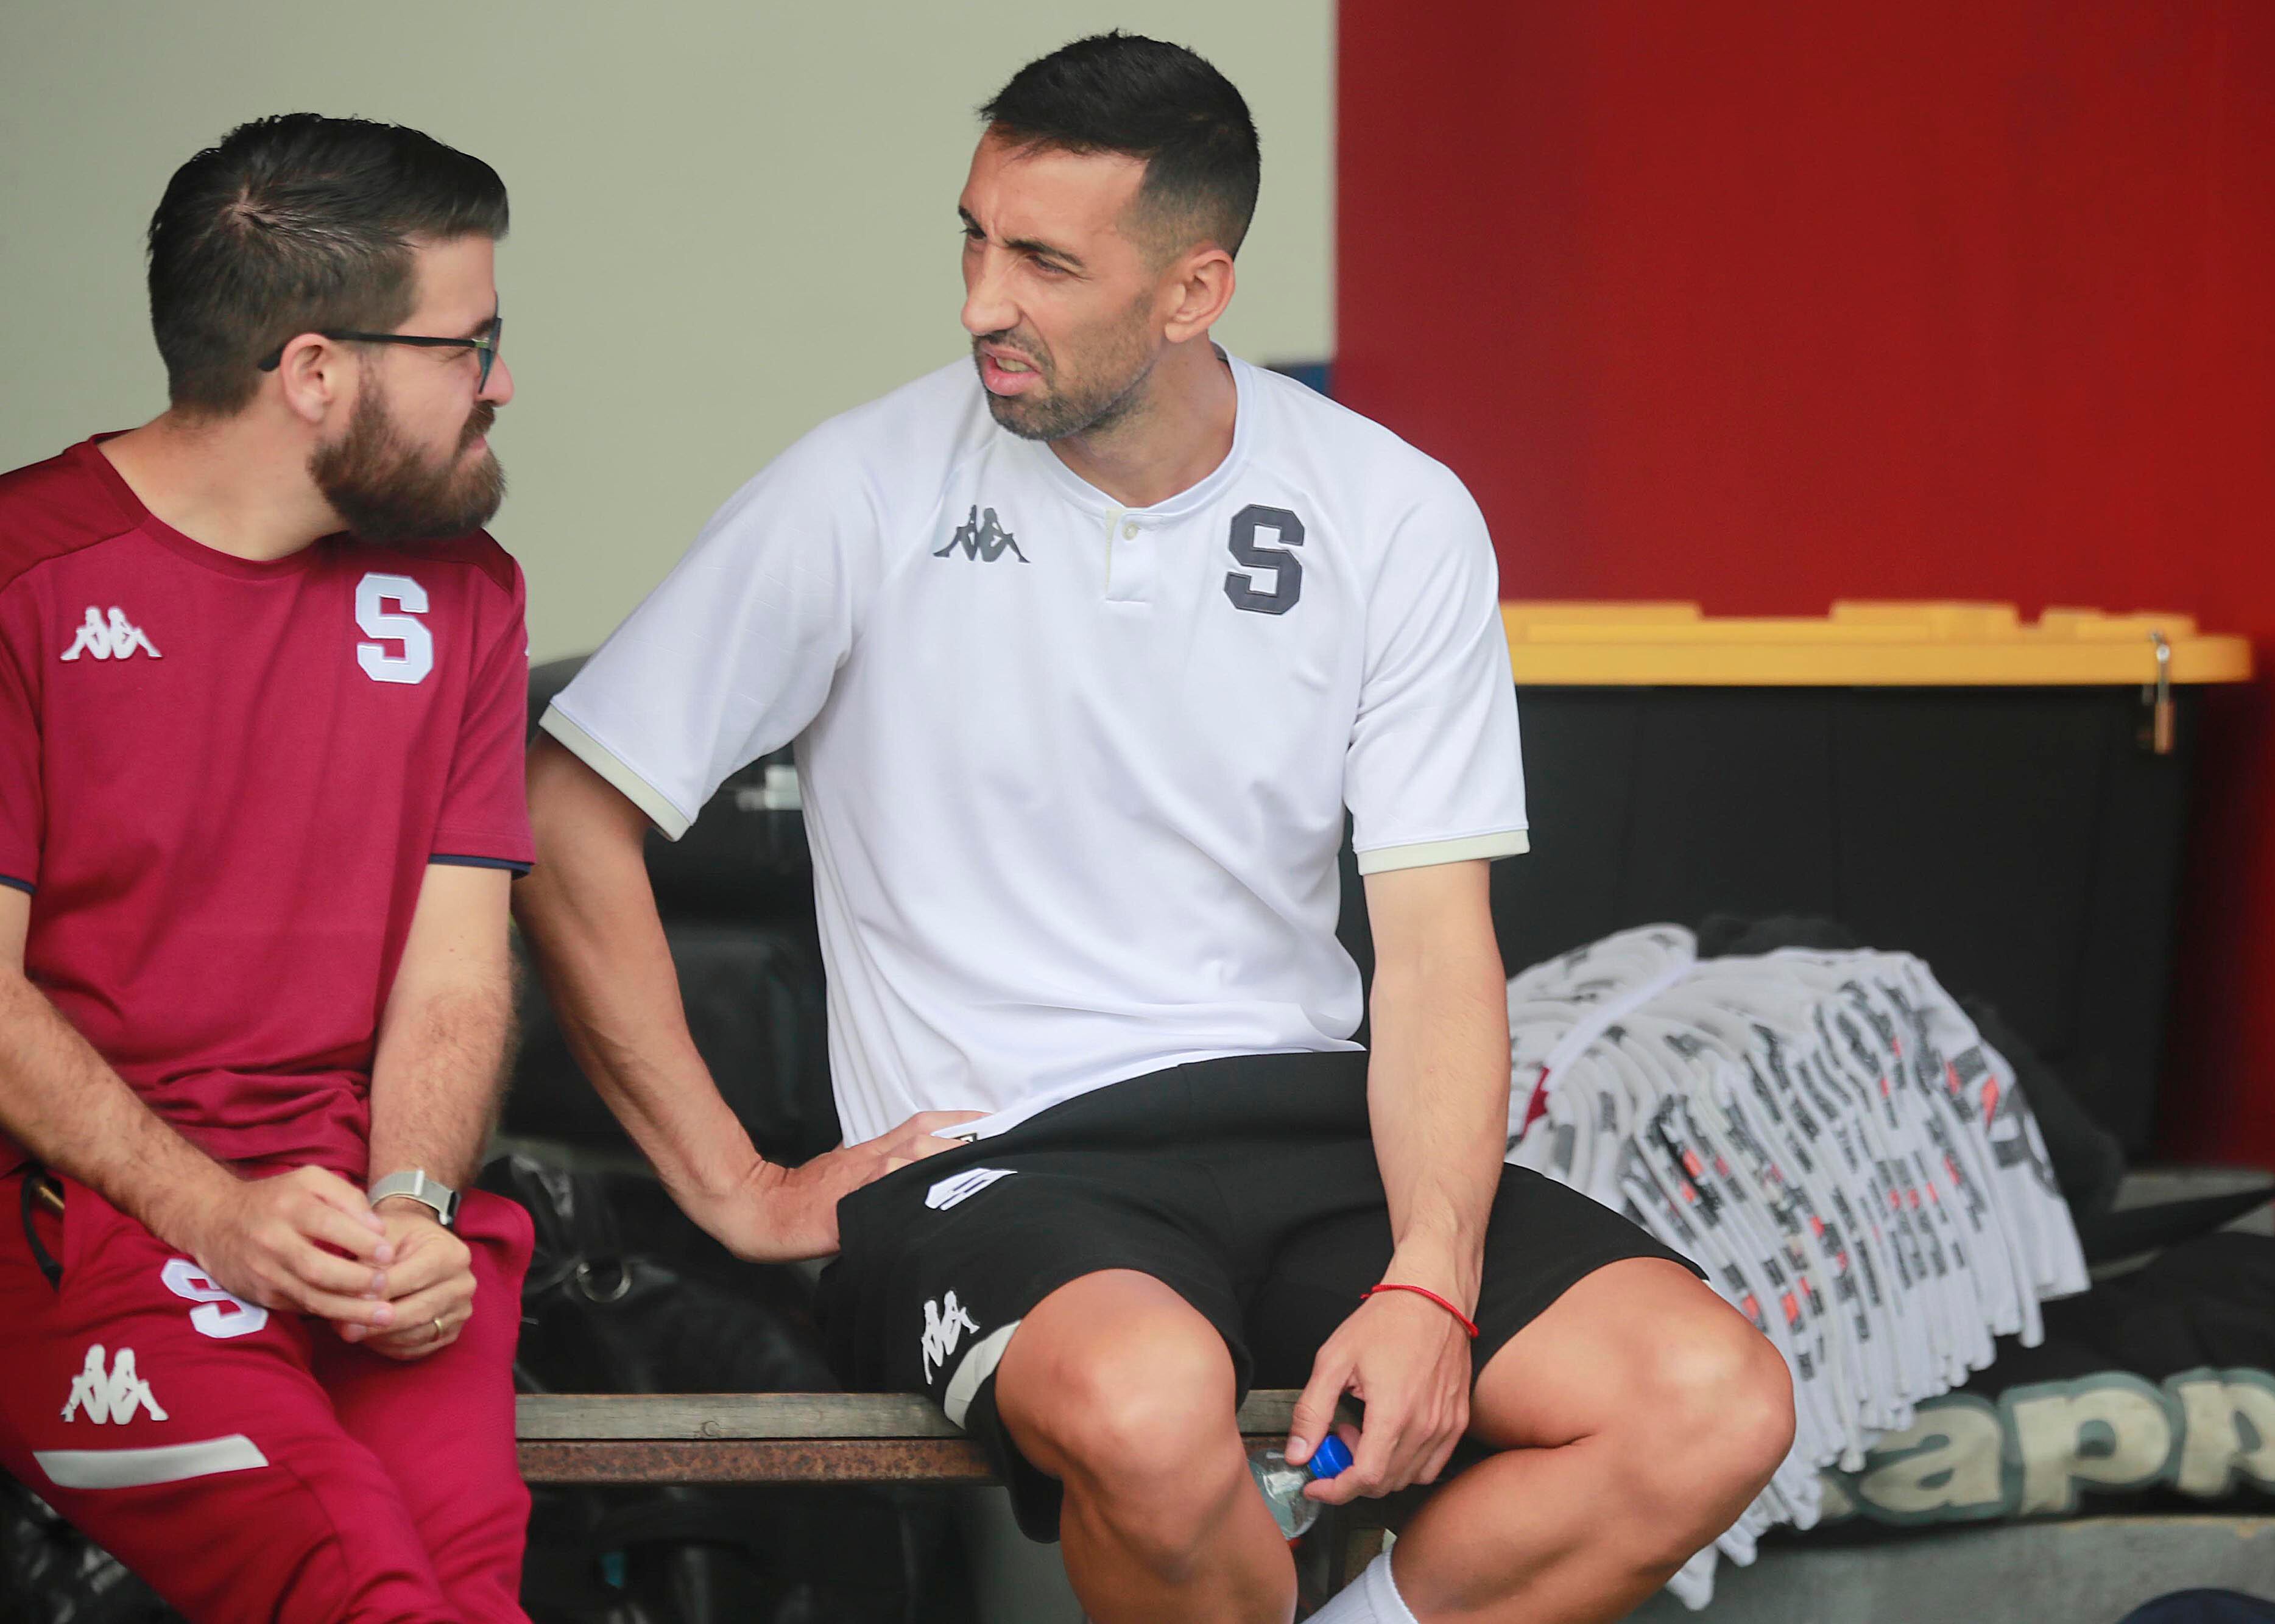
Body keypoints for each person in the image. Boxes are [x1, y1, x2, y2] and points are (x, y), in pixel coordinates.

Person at [518, 33, 1794, 1624]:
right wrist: (729, 1179)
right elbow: (568, 810)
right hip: (997, 1155)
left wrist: (1432, 1276)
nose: (986, 298)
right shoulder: (856, 491)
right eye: (975, 237)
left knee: (1710, 1399)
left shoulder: (1390, 513)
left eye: (1046, 260)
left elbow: (1436, 945)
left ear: (1195, 291)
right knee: (1147, 1402)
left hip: (1309, 1129)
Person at [0, 114, 535, 1623]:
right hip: (90, 1223)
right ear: (314, 371)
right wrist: (211, 1211)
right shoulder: (22, 575)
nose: (501, 381)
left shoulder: (465, 590)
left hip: (371, 1230)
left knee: (460, 1587)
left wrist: (419, 1202)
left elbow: (452, 967)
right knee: (361, 1585)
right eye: (466, 342)